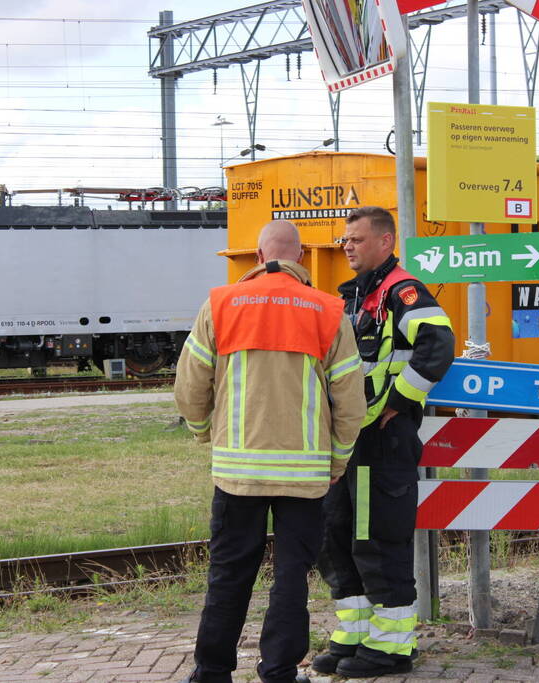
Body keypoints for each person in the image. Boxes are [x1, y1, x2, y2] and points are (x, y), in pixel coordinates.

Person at [175, 219, 366, 683]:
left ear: (259, 258)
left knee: (228, 574)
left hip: (237, 473)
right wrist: (337, 460)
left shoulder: (219, 305)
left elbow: (190, 386)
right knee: (290, 579)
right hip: (304, 476)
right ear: (299, 259)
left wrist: (206, 433)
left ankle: (212, 671)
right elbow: (350, 401)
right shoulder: (326, 309)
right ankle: (279, 671)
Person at [313, 206, 455, 678]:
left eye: (356, 239)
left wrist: (399, 401)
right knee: (337, 538)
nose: (347, 246)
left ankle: (392, 647)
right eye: (345, 240)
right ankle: (355, 634)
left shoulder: (403, 291)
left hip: (383, 440)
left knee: (378, 542)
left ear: (385, 242)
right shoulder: (355, 297)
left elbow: (439, 343)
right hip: (350, 439)